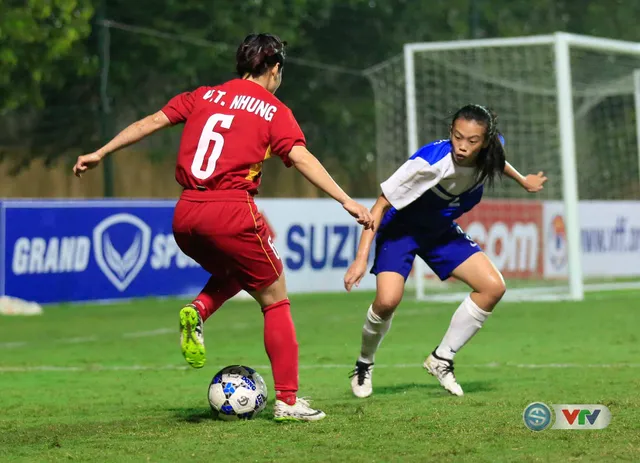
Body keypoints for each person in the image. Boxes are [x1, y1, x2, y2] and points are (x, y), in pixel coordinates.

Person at [73, 33, 374, 421]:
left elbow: (152, 121)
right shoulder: (273, 110)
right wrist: (346, 200)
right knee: (275, 296)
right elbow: (300, 157)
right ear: (275, 68)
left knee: (240, 271)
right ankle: (287, 401)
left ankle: (199, 309)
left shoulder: (203, 95)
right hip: (231, 212)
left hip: (185, 216)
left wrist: (100, 152)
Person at [343, 104, 547, 398]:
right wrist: (360, 259)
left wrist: (523, 181)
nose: (463, 146)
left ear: (486, 141)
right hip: (401, 229)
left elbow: (498, 161)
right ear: (451, 131)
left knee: (492, 287)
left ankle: (441, 358)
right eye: (457, 137)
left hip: (439, 231)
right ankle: (364, 363)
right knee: (387, 301)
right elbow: (380, 205)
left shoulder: (492, 149)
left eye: (472, 141)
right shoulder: (430, 162)